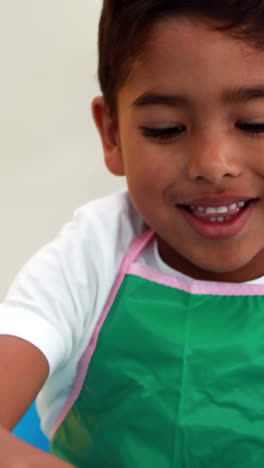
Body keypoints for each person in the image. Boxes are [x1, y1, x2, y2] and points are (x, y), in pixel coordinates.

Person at [1, 0, 264, 466]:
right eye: (165, 130)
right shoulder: (92, 255)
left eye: (256, 123)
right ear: (113, 135)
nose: (213, 165)